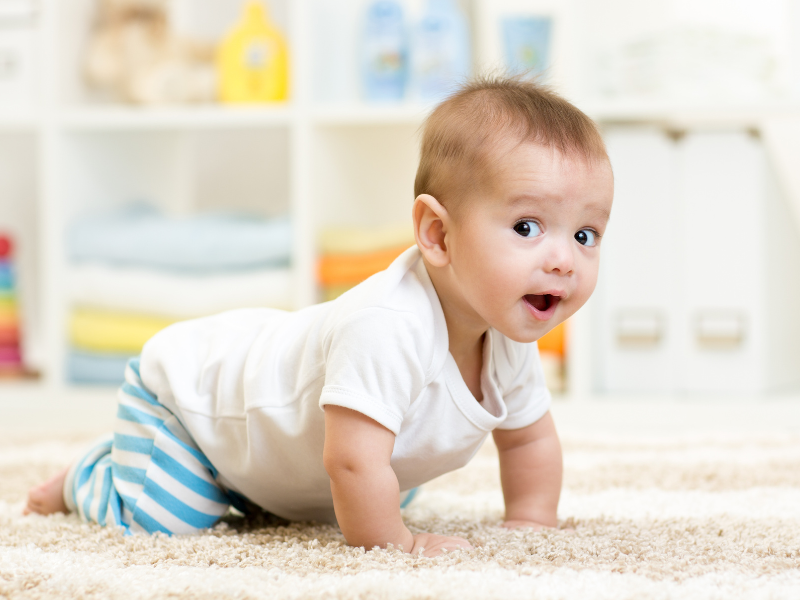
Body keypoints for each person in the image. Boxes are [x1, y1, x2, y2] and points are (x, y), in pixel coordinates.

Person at [25, 75, 614, 557]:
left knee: (384, 485)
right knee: (170, 518)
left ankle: (257, 492)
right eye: (527, 227)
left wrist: (533, 522)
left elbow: (529, 441)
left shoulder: (506, 334)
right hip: (193, 408)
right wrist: (398, 546)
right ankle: (92, 475)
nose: (564, 260)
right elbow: (351, 462)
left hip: (284, 462)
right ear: (438, 234)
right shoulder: (386, 325)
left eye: (585, 234)